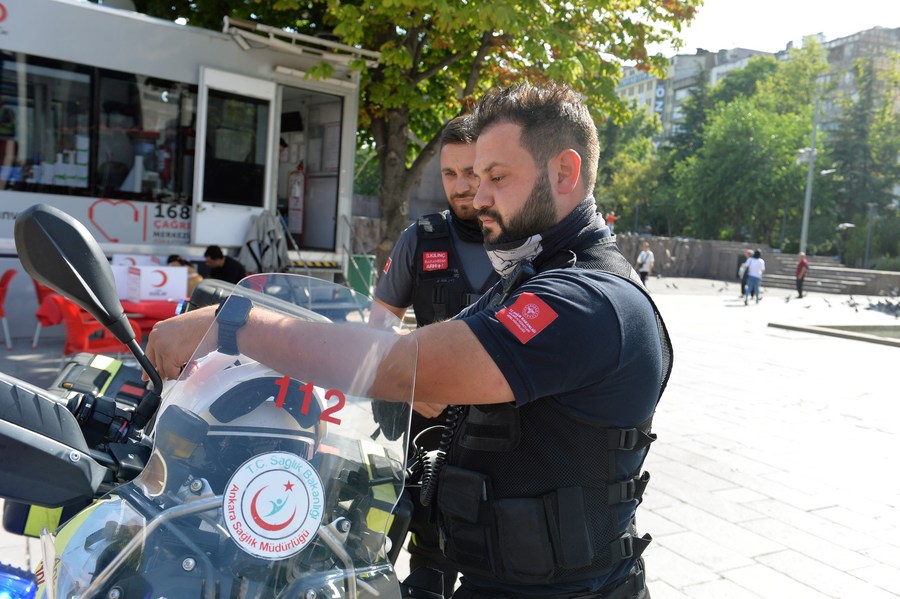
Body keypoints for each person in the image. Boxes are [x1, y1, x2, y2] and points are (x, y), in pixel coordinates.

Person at [146, 82, 673, 599]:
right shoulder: (532, 275)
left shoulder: (585, 299)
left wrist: (234, 324)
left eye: (496, 176)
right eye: (469, 176)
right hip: (497, 576)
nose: (479, 196)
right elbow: (420, 376)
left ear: (564, 172)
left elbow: (402, 367)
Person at [373, 114, 497, 597]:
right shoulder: (418, 241)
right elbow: (376, 332)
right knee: (429, 561)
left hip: (505, 444)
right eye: (450, 174)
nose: (463, 186)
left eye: (474, 172)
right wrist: (406, 379)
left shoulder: (530, 245)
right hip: (425, 440)